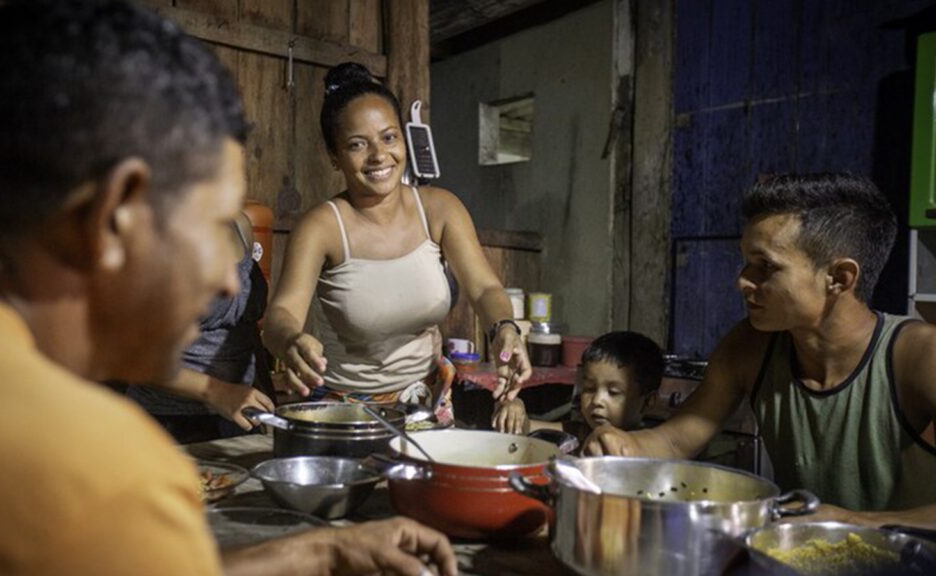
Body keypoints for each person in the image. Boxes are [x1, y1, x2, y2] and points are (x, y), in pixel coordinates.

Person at [0, 2, 457, 575]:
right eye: (208, 224)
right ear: (116, 213)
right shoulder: (99, 473)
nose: (228, 279)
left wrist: (316, 551)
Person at [586, 173, 936, 529]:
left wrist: (852, 522)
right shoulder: (750, 346)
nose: (742, 280)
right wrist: (622, 445)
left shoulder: (920, 357)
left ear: (839, 278)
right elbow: (676, 442)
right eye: (746, 263)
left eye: (765, 267)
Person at [262, 62, 531, 417]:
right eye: (358, 144)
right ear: (333, 156)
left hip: (429, 405)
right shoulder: (322, 226)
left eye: (389, 137)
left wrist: (504, 329)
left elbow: (484, 289)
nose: (379, 156)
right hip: (345, 413)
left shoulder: (440, 209)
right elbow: (281, 316)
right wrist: (291, 341)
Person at [122, 213, 276, 443]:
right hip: (167, 423)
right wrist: (217, 391)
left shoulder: (238, 222)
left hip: (238, 418)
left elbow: (246, 330)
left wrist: (270, 401)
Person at [492, 331, 664, 437]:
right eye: (589, 388)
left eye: (613, 392)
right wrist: (515, 405)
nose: (597, 400)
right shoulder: (579, 433)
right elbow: (524, 428)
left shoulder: (650, 446)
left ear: (648, 401)